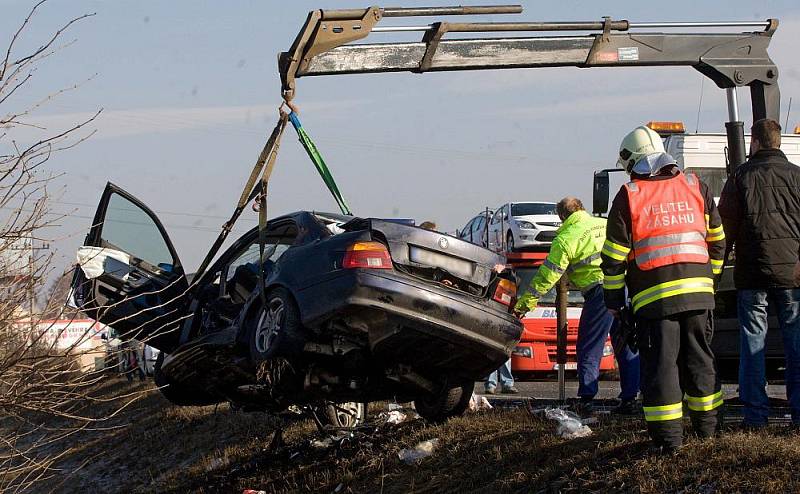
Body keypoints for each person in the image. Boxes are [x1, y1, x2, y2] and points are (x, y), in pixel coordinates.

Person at [602, 125, 726, 452]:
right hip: (699, 295)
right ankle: (708, 433)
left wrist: (614, 301)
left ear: (631, 163)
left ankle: (669, 443)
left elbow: (614, 258)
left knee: (662, 368)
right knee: (700, 360)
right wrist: (708, 283)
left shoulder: (631, 195)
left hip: (656, 301)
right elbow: (717, 241)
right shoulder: (694, 185)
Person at [516, 196, 640, 413]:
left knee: (589, 346)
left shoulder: (566, 237)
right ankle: (630, 397)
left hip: (599, 292)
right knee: (626, 342)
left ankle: (587, 398)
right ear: (582, 208)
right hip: (625, 287)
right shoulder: (604, 224)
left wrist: (525, 304)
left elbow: (547, 276)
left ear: (562, 216)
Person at [718, 118, 800, 429]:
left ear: (754, 143)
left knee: (753, 343)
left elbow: (725, 230)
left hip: (752, 274)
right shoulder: (797, 176)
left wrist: (715, 272)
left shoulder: (740, 177)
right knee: (795, 345)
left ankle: (755, 417)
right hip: (792, 274)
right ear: (779, 143)